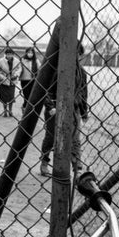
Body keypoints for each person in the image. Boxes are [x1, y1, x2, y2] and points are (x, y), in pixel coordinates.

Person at [40, 41, 89, 177]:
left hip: (74, 109)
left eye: (79, 54)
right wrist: (50, 106)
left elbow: (83, 93)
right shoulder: (55, 69)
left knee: (75, 140)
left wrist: (84, 112)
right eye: (74, 53)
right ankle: (44, 163)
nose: (77, 57)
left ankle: (77, 170)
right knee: (51, 137)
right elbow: (46, 90)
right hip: (56, 108)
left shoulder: (81, 72)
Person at [0, 47, 22, 117]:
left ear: (13, 54)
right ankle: (5, 111)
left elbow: (19, 68)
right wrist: (3, 78)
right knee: (4, 98)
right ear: (5, 54)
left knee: (11, 97)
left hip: (12, 81)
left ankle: (10, 110)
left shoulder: (17, 61)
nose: (9, 56)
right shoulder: (0, 61)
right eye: (8, 54)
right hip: (4, 81)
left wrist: (16, 75)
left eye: (11, 54)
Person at [20, 46, 41, 114]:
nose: (30, 54)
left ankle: (28, 109)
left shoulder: (36, 60)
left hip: (33, 80)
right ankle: (24, 107)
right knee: (26, 95)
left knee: (31, 96)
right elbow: (19, 68)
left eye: (31, 53)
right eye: (28, 52)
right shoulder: (22, 60)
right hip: (24, 80)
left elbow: (39, 68)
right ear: (26, 53)